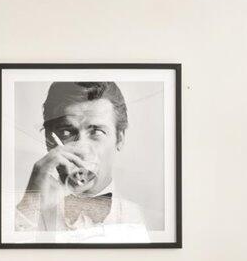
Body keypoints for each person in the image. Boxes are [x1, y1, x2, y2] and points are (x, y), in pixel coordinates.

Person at [16, 80, 148, 236]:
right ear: (48, 141)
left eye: (96, 132)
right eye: (67, 132)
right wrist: (30, 204)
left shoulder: (137, 218)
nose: (81, 150)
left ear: (119, 139)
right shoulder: (20, 216)